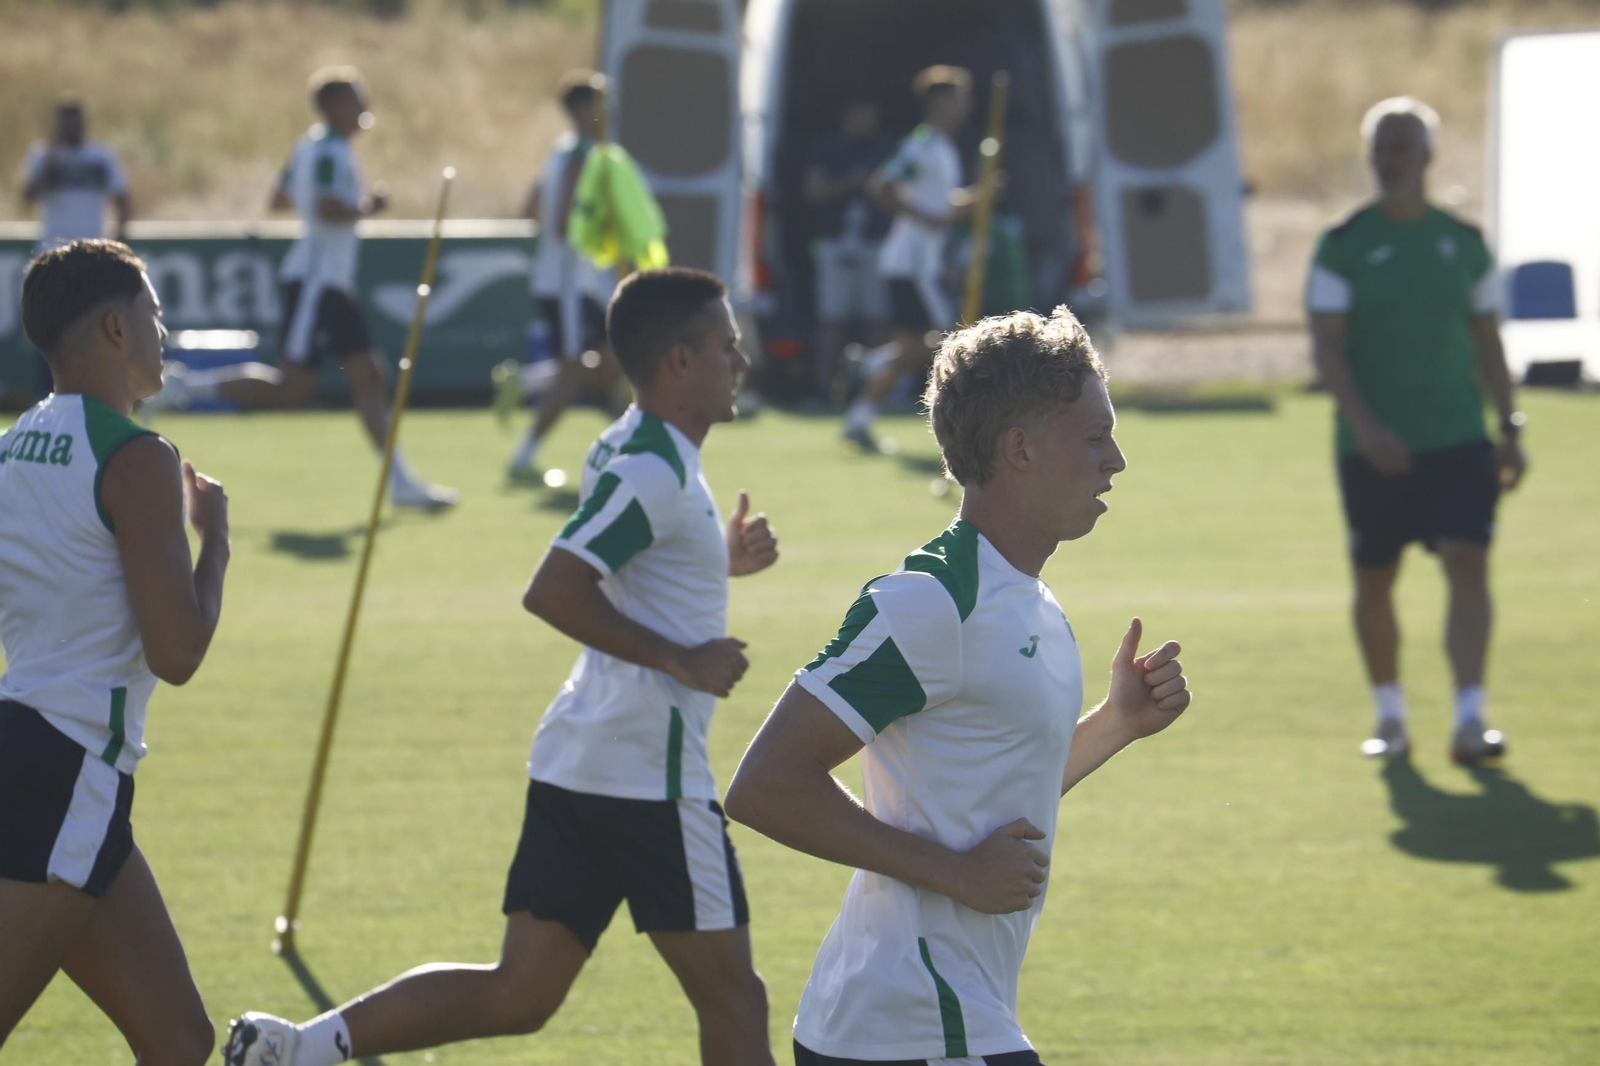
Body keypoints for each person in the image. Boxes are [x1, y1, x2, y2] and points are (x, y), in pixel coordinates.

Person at [223, 268, 780, 1066]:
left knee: (519, 993)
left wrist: (714, 561)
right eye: (727, 345)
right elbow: (553, 589)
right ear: (680, 363)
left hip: (581, 762)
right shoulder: (652, 472)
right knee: (734, 998)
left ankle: (299, 1047)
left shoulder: (627, 444)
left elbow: (629, 567)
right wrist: (679, 657)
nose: (743, 360)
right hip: (650, 779)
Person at [725, 307, 1193, 1064]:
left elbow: (999, 793)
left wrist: (1115, 723)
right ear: (1020, 449)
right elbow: (765, 786)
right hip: (908, 1019)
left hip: (938, 1015)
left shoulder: (1030, 599)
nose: (1117, 461)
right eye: (1095, 436)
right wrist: (957, 875)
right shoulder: (930, 602)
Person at [0, 240, 231, 1063]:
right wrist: (219, 545)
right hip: (72, 771)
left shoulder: (14, 444)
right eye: (153, 313)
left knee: (177, 1038)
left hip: (28, 751)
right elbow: (178, 652)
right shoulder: (137, 457)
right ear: (113, 327)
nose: (163, 329)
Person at [1306, 97, 1526, 764]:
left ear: (1428, 157)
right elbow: (1327, 348)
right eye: (1381, 146)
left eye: (1402, 145)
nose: (1389, 158)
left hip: (1458, 437)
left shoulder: (1464, 243)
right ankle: (1391, 717)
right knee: (1376, 578)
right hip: (1371, 448)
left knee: (1468, 562)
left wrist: (1510, 426)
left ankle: (1470, 719)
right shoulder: (1342, 244)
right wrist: (1368, 428)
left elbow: (1488, 341)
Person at [146, 67, 456, 510]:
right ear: (333, 106)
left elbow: (281, 199)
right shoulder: (329, 150)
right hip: (317, 279)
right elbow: (328, 209)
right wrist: (369, 206)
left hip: (330, 280)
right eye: (355, 98)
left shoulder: (311, 147)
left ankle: (401, 482)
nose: (364, 105)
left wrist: (319, 199)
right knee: (293, 389)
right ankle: (184, 388)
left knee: (369, 376)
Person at [842, 66, 983, 451]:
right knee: (949, 340)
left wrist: (975, 199)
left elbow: (940, 206)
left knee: (910, 352)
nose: (965, 108)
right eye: (959, 99)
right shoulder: (920, 145)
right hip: (912, 263)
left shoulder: (942, 148)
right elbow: (882, 185)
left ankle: (859, 416)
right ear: (940, 103)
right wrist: (927, 219)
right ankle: (870, 364)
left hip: (925, 263)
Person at [506, 71, 626, 482]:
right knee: (580, 370)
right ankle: (524, 454)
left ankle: (524, 383)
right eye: (600, 103)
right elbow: (561, 223)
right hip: (571, 283)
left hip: (566, 280)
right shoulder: (582, 156)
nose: (608, 111)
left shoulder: (561, 151)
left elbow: (530, 211)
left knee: (614, 360)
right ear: (580, 109)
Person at [803, 98, 894, 399]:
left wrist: (877, 190)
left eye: (869, 114)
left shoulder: (886, 149)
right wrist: (851, 183)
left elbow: (900, 194)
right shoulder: (827, 148)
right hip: (834, 244)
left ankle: (876, 389)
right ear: (846, 116)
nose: (864, 120)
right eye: (859, 113)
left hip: (876, 244)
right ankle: (825, 387)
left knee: (877, 321)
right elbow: (813, 192)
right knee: (831, 321)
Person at [21, 100, 131, 252]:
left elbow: (122, 199)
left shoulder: (101, 156)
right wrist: (50, 163)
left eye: (76, 123)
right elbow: (28, 197)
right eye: (67, 124)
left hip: (94, 246)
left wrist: (117, 238)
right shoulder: (42, 154)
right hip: (53, 248)